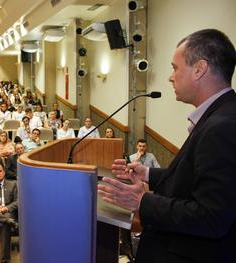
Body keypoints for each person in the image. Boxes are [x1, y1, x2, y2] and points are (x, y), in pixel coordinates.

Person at [98, 29, 236, 263]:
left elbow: (212, 217)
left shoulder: (223, 126)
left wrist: (143, 201)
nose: (171, 77)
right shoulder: (219, 114)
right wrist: (148, 174)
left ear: (199, 69)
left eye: (175, 68)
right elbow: (194, 178)